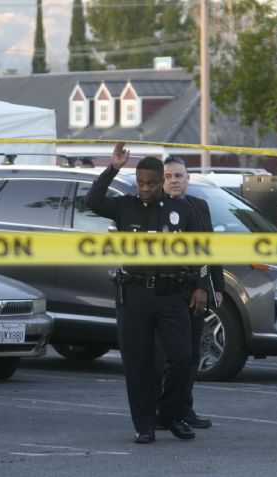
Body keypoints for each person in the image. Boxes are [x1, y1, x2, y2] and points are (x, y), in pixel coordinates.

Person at [86, 143, 209, 444]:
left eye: (151, 184)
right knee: (138, 365)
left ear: (162, 183)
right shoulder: (124, 206)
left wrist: (201, 286)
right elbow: (93, 200)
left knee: (181, 357)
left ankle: (171, 414)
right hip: (135, 296)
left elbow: (203, 249)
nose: (145, 189)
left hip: (172, 296)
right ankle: (144, 425)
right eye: (141, 183)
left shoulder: (182, 209)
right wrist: (113, 167)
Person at [155, 156, 224, 430]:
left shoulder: (199, 206)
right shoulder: (154, 208)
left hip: (195, 291)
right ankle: (164, 411)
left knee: (192, 353)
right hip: (164, 294)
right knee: (169, 356)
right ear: (162, 180)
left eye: (179, 176)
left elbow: (209, 248)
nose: (174, 180)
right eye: (169, 176)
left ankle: (185, 408)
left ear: (187, 178)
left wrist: (214, 286)